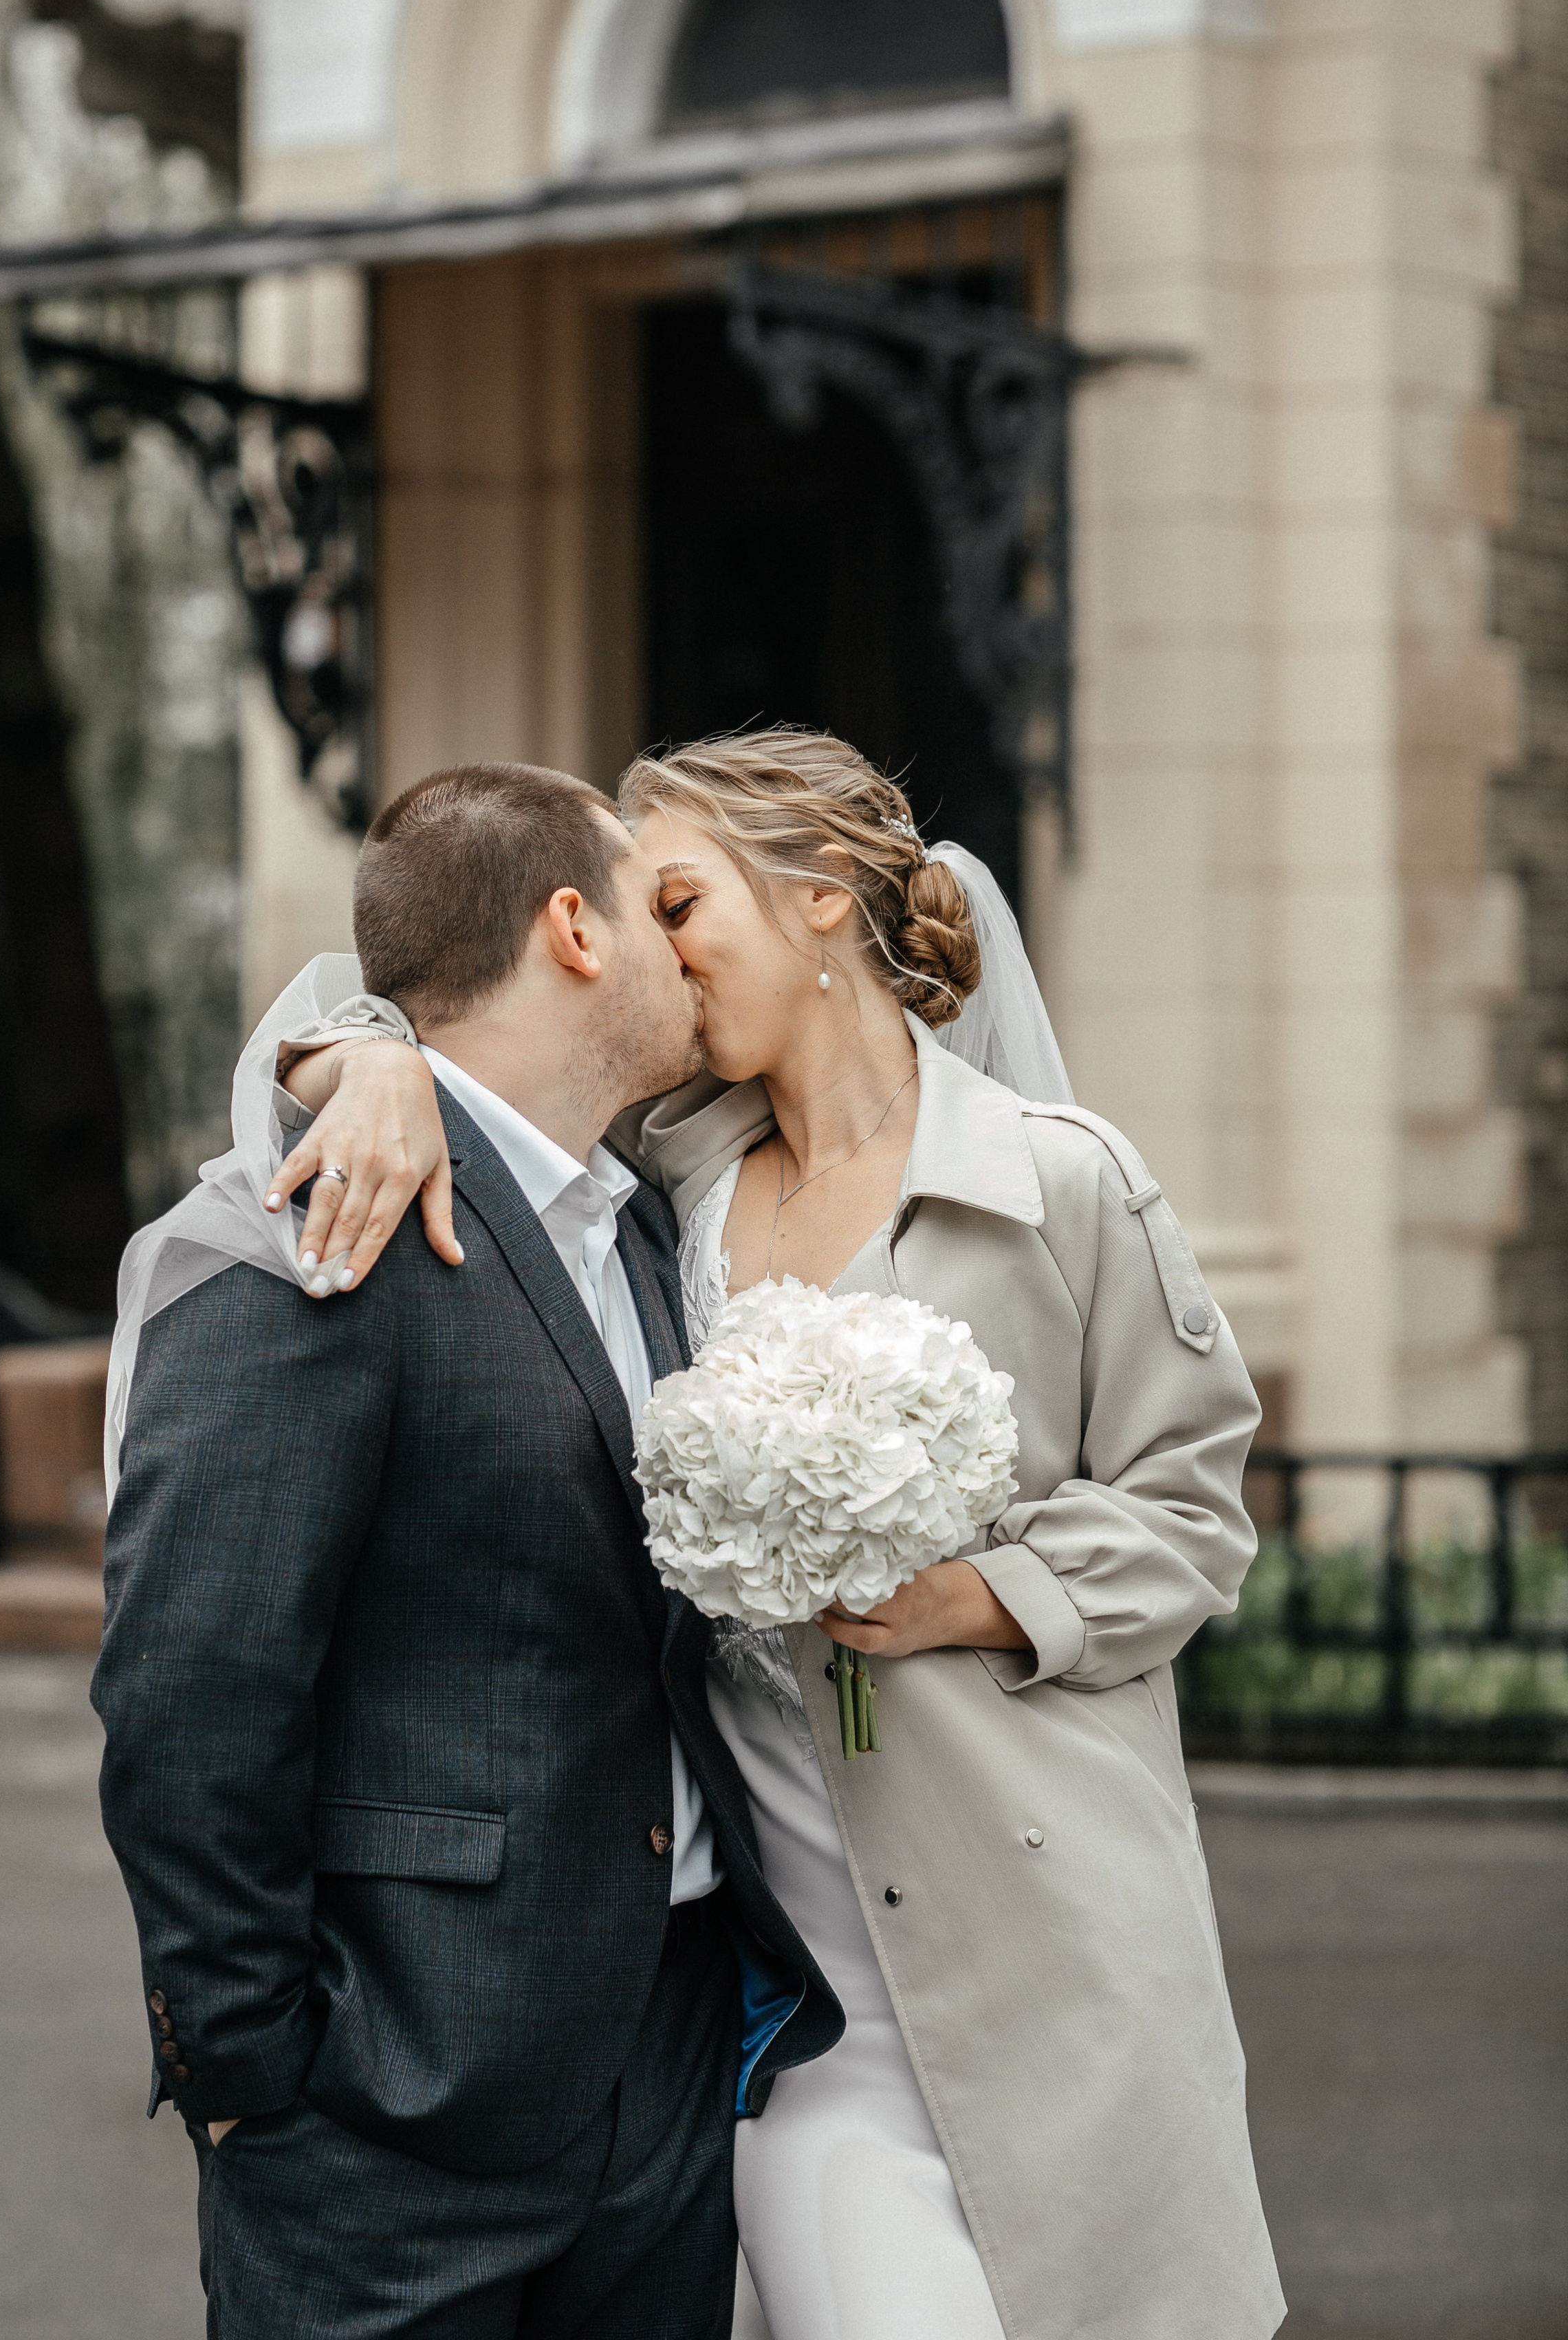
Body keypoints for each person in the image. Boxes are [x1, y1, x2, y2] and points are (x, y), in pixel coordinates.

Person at [267, 728, 1287, 2340]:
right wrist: (367, 1059)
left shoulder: (1063, 1185)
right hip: (793, 2010)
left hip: (1051, 1948)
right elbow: (375, 997)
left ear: (817, 900)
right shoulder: (662, 1173)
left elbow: (1193, 1514)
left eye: (676, 903)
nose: (644, 956)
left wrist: (979, 1594)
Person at [91, 760, 842, 2340]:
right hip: (384, 2122)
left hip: (662, 2074)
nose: (686, 950)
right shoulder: (313, 1230)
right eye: (661, 906)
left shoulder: (645, 1218)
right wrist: (250, 2078)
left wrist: (351, 1048)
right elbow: (191, 1695)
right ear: (574, 927)